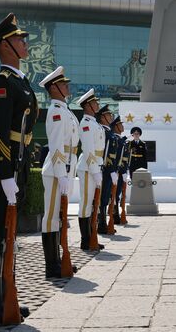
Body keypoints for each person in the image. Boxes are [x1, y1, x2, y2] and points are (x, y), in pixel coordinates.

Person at [0, 13, 37, 324]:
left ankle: (5, 298)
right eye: (19, 39)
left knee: (6, 235)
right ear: (6, 45)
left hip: (16, 164)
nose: (25, 43)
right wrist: (4, 175)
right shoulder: (2, 83)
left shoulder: (20, 82)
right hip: (0, 168)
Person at [39, 66, 79, 278]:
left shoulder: (65, 110)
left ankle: (59, 261)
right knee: (51, 217)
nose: (67, 86)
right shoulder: (56, 112)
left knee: (60, 217)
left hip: (65, 168)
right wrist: (61, 173)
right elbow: (55, 147)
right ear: (54, 88)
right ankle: (52, 266)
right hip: (56, 171)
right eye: (63, 84)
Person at [76, 88, 105, 251]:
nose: (97, 104)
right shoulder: (86, 124)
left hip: (95, 166)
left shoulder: (94, 123)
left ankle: (91, 236)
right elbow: (88, 150)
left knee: (93, 204)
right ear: (87, 106)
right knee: (86, 203)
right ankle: (85, 240)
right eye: (95, 102)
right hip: (88, 168)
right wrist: (94, 170)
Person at [96, 105, 119, 234]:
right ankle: (101, 223)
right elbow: (104, 154)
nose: (111, 117)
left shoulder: (108, 132)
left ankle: (103, 222)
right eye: (108, 115)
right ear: (103, 117)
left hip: (110, 170)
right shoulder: (103, 132)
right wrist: (109, 170)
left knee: (106, 197)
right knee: (102, 197)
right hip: (104, 170)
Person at [110, 115, 129, 224]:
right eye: (120, 124)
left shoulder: (120, 140)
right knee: (114, 195)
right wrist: (120, 171)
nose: (122, 126)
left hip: (121, 172)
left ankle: (116, 215)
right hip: (116, 172)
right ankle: (114, 215)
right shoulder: (116, 140)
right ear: (116, 127)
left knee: (117, 195)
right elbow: (117, 158)